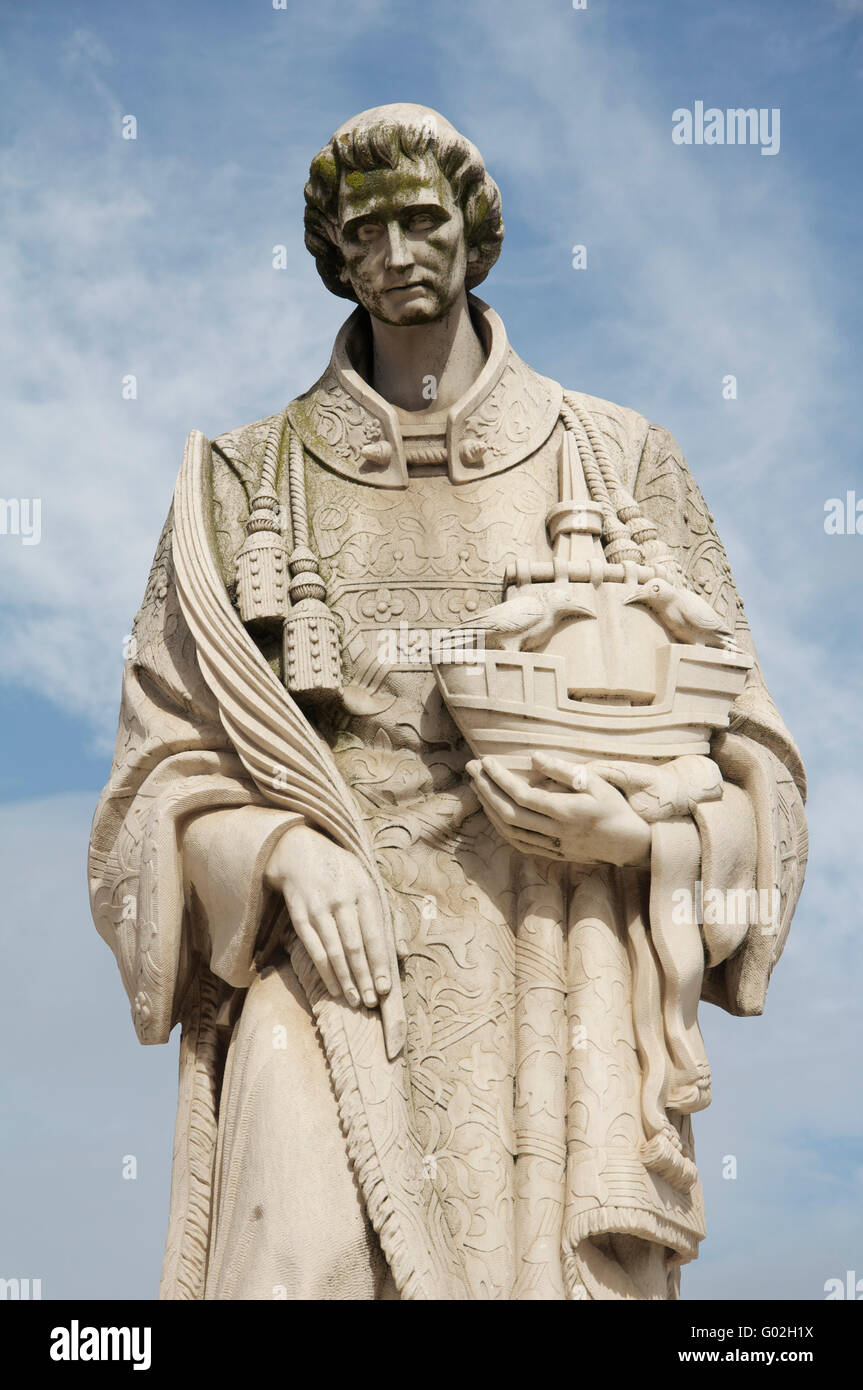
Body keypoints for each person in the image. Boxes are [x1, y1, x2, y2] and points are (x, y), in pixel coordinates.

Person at [89, 104, 808, 1300]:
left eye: (421, 218)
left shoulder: (620, 460)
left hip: (556, 957)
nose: (395, 251)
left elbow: (756, 772)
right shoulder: (234, 484)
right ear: (330, 250)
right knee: (289, 1255)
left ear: (474, 231)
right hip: (327, 966)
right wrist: (274, 854)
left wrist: (635, 838)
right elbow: (148, 785)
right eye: (361, 230)